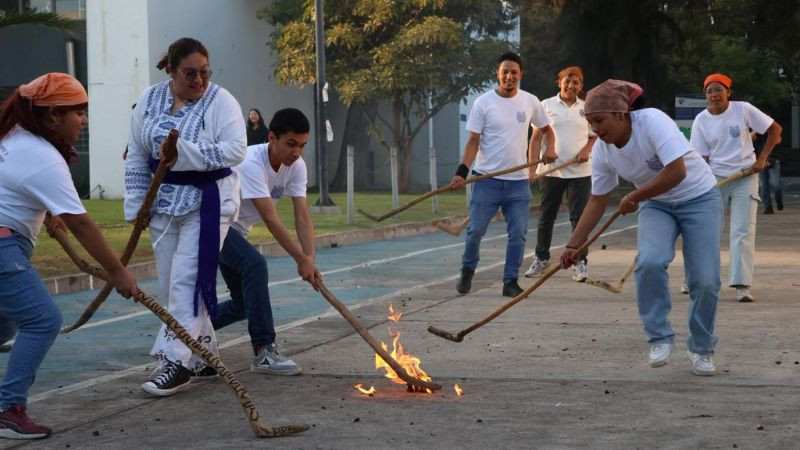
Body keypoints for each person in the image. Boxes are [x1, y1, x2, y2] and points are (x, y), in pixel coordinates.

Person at [0, 73, 138, 439]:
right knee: (43, 319)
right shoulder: (42, 156)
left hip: (8, 241)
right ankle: (8, 410)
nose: (85, 120)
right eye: (79, 112)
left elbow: (15, 185)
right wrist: (119, 272)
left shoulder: (14, 135)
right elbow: (82, 224)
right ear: (52, 116)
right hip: (2, 245)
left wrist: (48, 212)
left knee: (4, 323)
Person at [560, 79, 722, 376]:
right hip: (656, 205)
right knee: (649, 262)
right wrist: (573, 245)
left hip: (699, 198)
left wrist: (634, 196)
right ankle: (659, 338)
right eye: (591, 123)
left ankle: (701, 348)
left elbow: (677, 172)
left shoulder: (652, 122)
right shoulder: (603, 151)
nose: (595, 129)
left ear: (620, 113)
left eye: (599, 120)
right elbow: (597, 200)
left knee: (705, 280)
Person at [124, 37, 247, 396]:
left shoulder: (221, 101)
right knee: (170, 284)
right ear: (171, 70)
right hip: (162, 202)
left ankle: (175, 362)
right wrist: (137, 204)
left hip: (208, 202)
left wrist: (183, 153)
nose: (200, 81)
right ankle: (202, 356)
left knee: (187, 282)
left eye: (205, 72)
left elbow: (236, 150)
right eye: (190, 74)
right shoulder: (149, 99)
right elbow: (136, 153)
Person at [212, 108, 321, 375]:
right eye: (291, 144)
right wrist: (300, 260)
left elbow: (302, 215)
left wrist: (310, 259)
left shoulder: (296, 166)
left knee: (243, 305)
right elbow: (271, 218)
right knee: (255, 265)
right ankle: (264, 351)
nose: (297, 152)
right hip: (214, 224)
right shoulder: (250, 162)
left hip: (236, 231)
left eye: (302, 145)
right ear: (272, 137)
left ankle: (184, 331)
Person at [451, 52, 553, 297]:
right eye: (505, 72)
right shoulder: (483, 103)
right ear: (498, 74)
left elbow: (546, 130)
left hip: (517, 183)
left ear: (520, 74)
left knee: (518, 234)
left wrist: (551, 148)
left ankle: (510, 281)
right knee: (476, 230)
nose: (509, 76)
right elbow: (473, 142)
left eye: (514, 72)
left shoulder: (531, 101)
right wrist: (461, 172)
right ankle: (467, 269)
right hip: (486, 179)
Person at [690, 73, 783, 302]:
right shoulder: (701, 120)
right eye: (709, 91)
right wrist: (702, 183)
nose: (714, 95)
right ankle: (697, 278)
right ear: (705, 95)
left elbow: (775, 130)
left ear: (728, 92)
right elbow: (701, 157)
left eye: (718, 90)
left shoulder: (743, 109)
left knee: (743, 229)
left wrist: (761, 159)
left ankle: (742, 284)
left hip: (745, 175)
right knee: (707, 231)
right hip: (715, 179)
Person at [524, 66, 597, 282]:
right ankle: (542, 258)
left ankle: (580, 261)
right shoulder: (545, 105)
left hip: (580, 172)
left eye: (575, 82)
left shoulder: (587, 108)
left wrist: (586, 150)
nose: (570, 86)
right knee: (546, 217)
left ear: (581, 86)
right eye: (567, 81)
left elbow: (594, 135)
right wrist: (532, 169)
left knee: (579, 219)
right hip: (551, 172)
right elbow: (536, 139)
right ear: (559, 82)